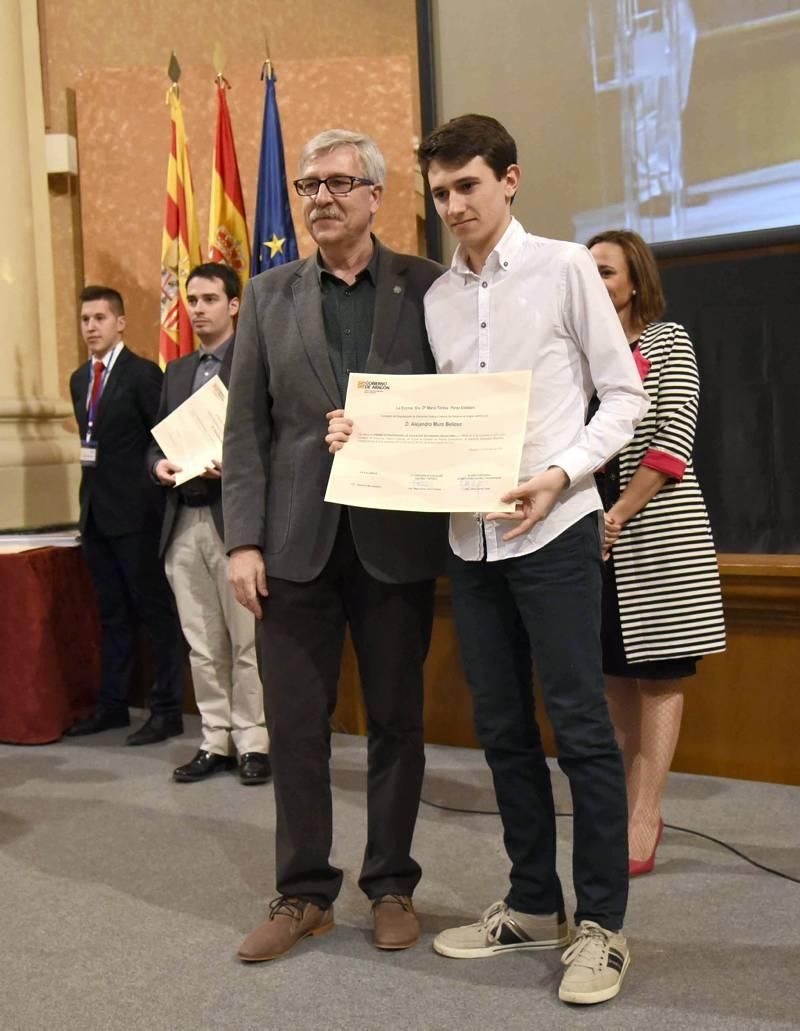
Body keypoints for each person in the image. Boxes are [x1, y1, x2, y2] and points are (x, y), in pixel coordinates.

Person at [331, 114, 649, 1005]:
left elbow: (625, 396)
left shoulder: (564, 268)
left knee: (581, 730)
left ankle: (602, 925)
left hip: (553, 531)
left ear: (509, 179)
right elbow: (435, 423)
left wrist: (559, 474)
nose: (454, 205)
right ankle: (533, 903)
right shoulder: (434, 299)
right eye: (439, 193)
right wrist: (365, 435)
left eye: (467, 185)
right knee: (503, 729)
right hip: (469, 540)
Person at [222, 129, 449, 962]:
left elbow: (453, 410)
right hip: (291, 547)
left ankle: (390, 881)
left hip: (395, 540)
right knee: (297, 724)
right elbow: (245, 431)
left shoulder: (427, 287)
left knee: (396, 720)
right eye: (309, 183)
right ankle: (303, 891)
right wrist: (241, 540)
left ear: (376, 195)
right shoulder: (269, 294)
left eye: (338, 183)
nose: (319, 196)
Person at [587, 229, 725, 875]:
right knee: (615, 673)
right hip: (593, 536)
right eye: (586, 273)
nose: (595, 282)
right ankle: (621, 804)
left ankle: (648, 811)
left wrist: (617, 512)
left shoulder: (668, 342)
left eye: (606, 272)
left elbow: (672, 442)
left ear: (634, 281)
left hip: (657, 535)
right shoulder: (581, 356)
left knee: (661, 673)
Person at [147, 263, 271, 786]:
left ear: (234, 305)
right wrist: (157, 465)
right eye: (192, 300)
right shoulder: (175, 370)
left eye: (209, 299)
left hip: (233, 521)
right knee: (202, 643)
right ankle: (214, 738)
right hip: (183, 520)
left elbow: (272, 435)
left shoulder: (253, 360)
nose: (197, 309)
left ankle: (254, 741)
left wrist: (236, 465)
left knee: (246, 643)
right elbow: (153, 440)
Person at [67, 285, 185, 745]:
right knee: (111, 614)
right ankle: (113, 706)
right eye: (84, 319)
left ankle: (167, 709)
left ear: (120, 323)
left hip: (137, 515)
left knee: (153, 614)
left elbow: (159, 441)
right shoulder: (80, 379)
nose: (91, 327)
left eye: (99, 318)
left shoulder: (142, 374)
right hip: (95, 515)